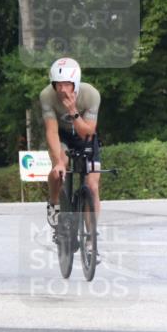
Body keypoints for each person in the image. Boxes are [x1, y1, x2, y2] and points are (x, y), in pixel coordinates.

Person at [40, 57, 101, 228]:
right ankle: (54, 203)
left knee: (92, 185)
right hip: (62, 135)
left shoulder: (91, 95)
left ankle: (91, 240)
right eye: (58, 85)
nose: (62, 90)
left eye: (67, 84)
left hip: (85, 136)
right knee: (59, 169)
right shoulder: (47, 96)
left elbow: (87, 133)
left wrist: (73, 111)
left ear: (76, 83)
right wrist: (58, 162)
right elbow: (51, 131)